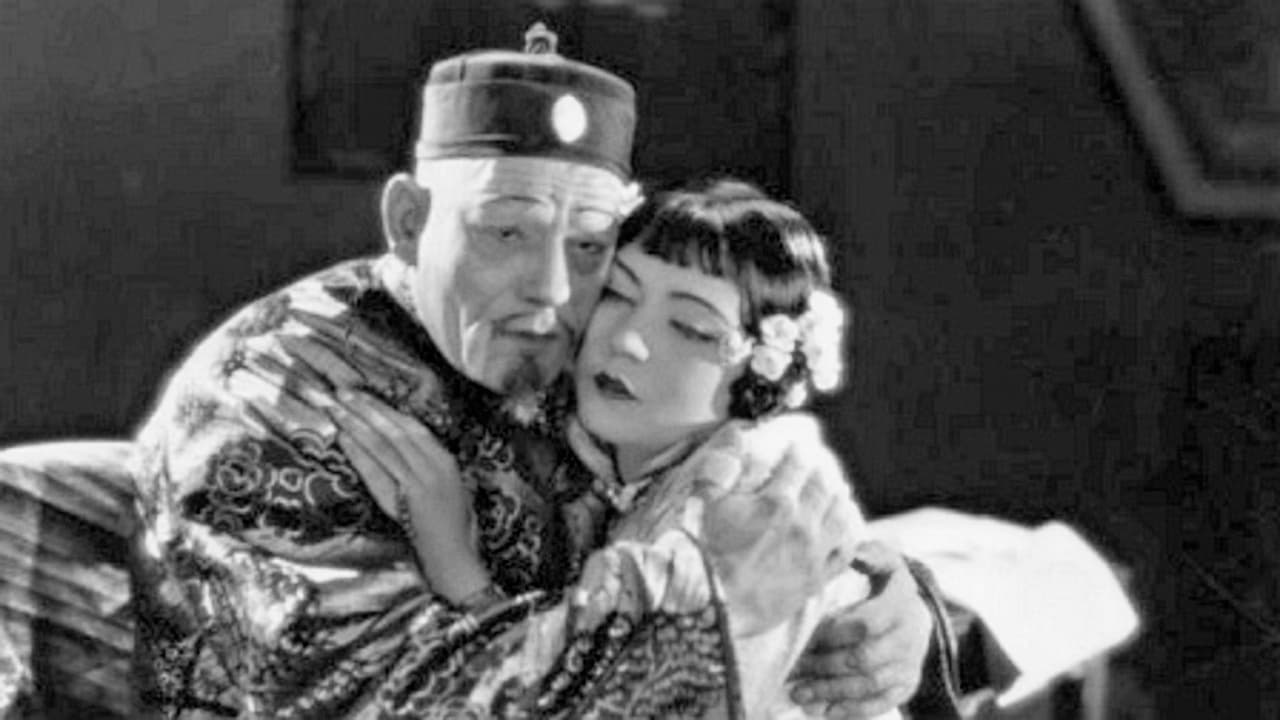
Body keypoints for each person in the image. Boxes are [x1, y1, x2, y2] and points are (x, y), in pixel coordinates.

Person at [130, 26, 955, 719]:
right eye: (506, 233)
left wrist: (887, 606)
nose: (555, 289)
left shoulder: (585, 348)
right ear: (410, 222)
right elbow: (380, 701)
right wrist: (715, 609)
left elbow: (725, 485)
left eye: (590, 246)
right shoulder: (279, 395)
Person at [322, 177, 899, 718]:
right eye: (617, 294)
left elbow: (595, 694)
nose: (626, 340)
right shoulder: (610, 442)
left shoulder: (746, 497)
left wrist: (452, 556)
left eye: (691, 328)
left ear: (768, 367)